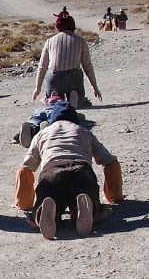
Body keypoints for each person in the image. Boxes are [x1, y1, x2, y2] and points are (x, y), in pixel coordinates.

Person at [14, 101, 124, 239]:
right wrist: (114, 196)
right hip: (81, 171)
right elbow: (110, 161)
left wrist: (23, 203)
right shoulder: (84, 131)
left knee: (47, 200)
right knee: (87, 197)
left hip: (52, 172)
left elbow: (26, 167)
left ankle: (45, 213)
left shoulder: (42, 134)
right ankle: (86, 206)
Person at [33, 8, 102, 108]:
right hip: (73, 77)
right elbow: (87, 66)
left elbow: (42, 66)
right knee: (78, 90)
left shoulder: (50, 41)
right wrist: (94, 87)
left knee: (52, 95)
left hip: (55, 77)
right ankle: (75, 95)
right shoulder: (81, 41)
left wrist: (37, 87)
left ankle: (54, 97)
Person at [14, 93, 86, 147]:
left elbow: (41, 101)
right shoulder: (62, 104)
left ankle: (32, 129)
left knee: (34, 120)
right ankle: (46, 128)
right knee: (52, 120)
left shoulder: (43, 104)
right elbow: (77, 115)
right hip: (54, 110)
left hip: (40, 110)